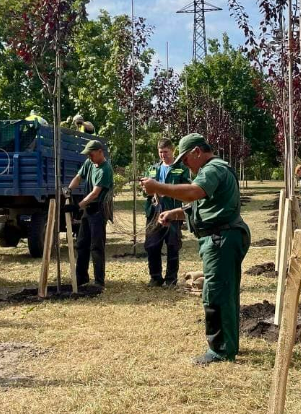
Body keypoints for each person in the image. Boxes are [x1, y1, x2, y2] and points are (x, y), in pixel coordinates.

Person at [141, 133, 251, 366]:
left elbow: (193, 192)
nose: (184, 164)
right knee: (225, 293)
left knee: (216, 295)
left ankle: (220, 351)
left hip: (221, 239)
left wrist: (157, 187)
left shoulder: (213, 169)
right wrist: (175, 213)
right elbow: (202, 205)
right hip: (222, 237)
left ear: (197, 152)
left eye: (186, 159)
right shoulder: (213, 170)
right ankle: (228, 345)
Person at [143, 138, 190, 287]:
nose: (163, 155)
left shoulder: (182, 169)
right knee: (152, 245)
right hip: (154, 213)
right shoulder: (152, 169)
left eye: (166, 152)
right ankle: (155, 277)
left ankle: (171, 279)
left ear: (173, 151)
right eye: (160, 152)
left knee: (172, 245)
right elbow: (144, 190)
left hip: (173, 213)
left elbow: (187, 189)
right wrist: (147, 190)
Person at [68, 139, 114, 290]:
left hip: (99, 210)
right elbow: (78, 177)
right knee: (81, 244)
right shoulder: (89, 163)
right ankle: (81, 278)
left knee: (96, 247)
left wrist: (78, 206)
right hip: (89, 210)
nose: (89, 157)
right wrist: (68, 190)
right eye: (88, 155)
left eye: (91, 154)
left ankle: (99, 282)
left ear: (100, 152)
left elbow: (95, 194)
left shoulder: (105, 169)